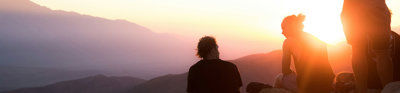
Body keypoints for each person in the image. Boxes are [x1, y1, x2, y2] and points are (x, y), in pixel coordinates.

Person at [341, 0, 394, 92]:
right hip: (375, 4)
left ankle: (362, 90)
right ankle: (389, 90)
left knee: (357, 50)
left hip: (352, 7)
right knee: (382, 52)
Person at [281, 14, 335, 93]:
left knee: (280, 78)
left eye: (283, 27)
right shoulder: (313, 38)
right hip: (328, 84)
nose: (282, 32)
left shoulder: (288, 42)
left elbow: (285, 70)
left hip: (309, 88)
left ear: (290, 26)